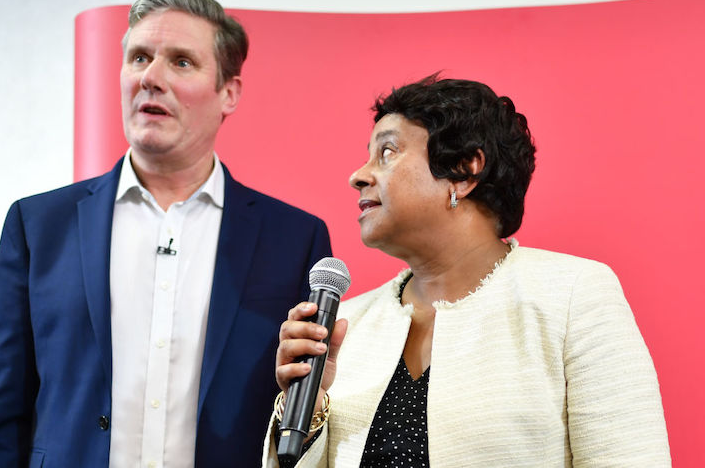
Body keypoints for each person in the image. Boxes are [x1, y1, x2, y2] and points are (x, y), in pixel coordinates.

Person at [0, 0, 331, 467]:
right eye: (139, 58)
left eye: (181, 62)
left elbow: (302, 413)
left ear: (228, 93)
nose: (151, 77)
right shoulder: (39, 226)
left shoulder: (294, 239)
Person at [264, 76, 671, 466]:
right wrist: (308, 413)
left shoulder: (573, 296)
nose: (358, 176)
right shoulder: (345, 326)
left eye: (387, 152)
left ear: (464, 170)